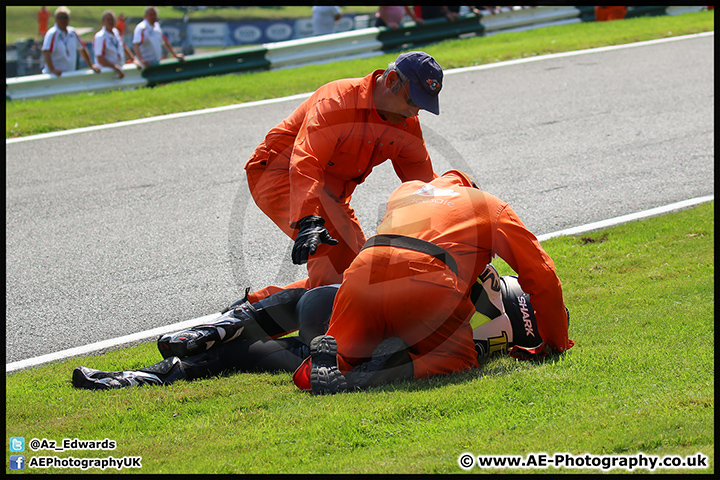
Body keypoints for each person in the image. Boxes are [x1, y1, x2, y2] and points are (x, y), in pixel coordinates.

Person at [71, 261, 562, 391]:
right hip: (339, 340)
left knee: (284, 316)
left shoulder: (465, 284)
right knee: (254, 348)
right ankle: (213, 339)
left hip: (331, 317)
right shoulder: (469, 348)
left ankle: (217, 331)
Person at [292, 170, 574, 394]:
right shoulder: (488, 205)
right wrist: (556, 342)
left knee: (342, 355)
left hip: (363, 270)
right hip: (428, 277)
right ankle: (373, 376)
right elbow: (543, 277)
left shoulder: (406, 191)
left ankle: (329, 361)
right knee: (459, 360)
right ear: (470, 188)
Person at [242, 51, 444, 306]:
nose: (414, 110)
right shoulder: (337, 101)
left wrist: (452, 209)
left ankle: (252, 308)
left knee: (361, 270)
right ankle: (325, 331)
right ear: (391, 80)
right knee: (333, 257)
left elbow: (423, 181)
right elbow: (307, 159)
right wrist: (309, 219)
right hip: (280, 174)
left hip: (329, 192)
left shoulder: (406, 123)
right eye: (411, 99)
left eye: (422, 104)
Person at [41, 6, 100, 77]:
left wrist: (91, 65)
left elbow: (82, 49)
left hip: (69, 73)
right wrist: (52, 69)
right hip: (55, 75)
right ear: (56, 19)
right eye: (60, 18)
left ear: (69, 19)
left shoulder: (73, 33)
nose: (63, 20)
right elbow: (46, 52)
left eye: (65, 17)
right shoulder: (52, 33)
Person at [94, 10, 143, 79]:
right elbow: (100, 58)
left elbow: (123, 46)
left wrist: (133, 59)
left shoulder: (116, 32)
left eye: (112, 19)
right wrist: (115, 67)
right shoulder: (100, 37)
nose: (111, 22)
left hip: (119, 69)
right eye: (108, 20)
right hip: (107, 72)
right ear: (103, 21)